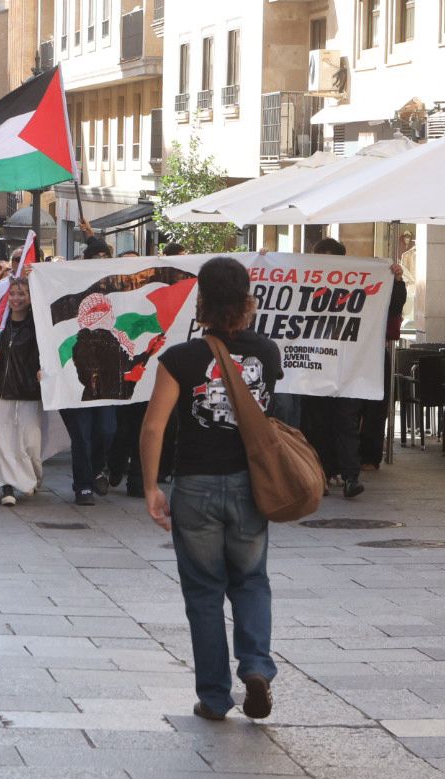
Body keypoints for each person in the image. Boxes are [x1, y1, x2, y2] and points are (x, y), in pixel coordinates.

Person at [141, 256, 278, 722]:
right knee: (251, 580)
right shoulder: (267, 354)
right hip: (249, 485)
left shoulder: (180, 358)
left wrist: (151, 487)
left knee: (204, 594)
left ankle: (216, 698)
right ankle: (256, 666)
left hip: (196, 485)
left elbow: (153, 428)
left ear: (201, 301)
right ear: (247, 301)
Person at [306, 237, 364, 499]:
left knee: (346, 421)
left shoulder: (357, 283)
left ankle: (350, 476)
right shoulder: (306, 282)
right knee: (318, 424)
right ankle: (324, 474)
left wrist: (395, 282)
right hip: (315, 368)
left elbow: (389, 305)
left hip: (347, 368)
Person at [61, 238, 117, 505]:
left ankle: (96, 469)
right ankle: (82, 485)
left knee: (107, 430)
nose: (101, 262)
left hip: (106, 380)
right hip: (77, 378)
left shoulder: (116, 288)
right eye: (96, 258)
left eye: (105, 257)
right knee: (81, 434)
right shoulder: (72, 286)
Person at [0, 275, 43, 507]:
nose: (16, 298)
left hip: (27, 391)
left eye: (22, 294)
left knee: (30, 442)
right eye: (13, 294)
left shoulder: (38, 326)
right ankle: (7, 485)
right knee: (3, 440)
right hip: (0, 390)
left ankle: (31, 476)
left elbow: (44, 355)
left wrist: (41, 371)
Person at [359, 260, 410, 471]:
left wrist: (397, 281)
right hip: (352, 354)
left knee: (375, 406)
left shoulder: (381, 296)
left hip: (375, 353)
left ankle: (369, 456)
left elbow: (395, 306)